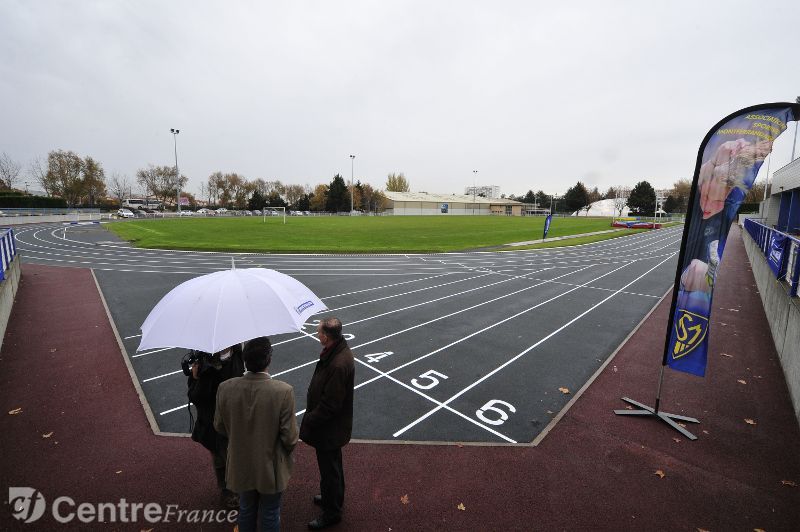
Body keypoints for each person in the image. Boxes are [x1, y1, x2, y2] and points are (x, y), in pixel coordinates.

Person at [214, 337, 298, 532]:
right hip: (271, 466)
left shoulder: (225, 388)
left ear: (245, 359)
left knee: (246, 509)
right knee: (270, 512)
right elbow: (290, 438)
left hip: (240, 463)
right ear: (268, 359)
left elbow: (219, 426)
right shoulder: (283, 391)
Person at [299, 317, 355, 530]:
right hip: (332, 428)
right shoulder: (336, 352)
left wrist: (310, 419)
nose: (316, 334)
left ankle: (332, 513)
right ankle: (334, 498)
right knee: (333, 466)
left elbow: (331, 404)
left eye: (318, 332)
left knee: (329, 470)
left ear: (327, 336)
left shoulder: (339, 363)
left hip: (329, 428)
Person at [187, 344, 244, 509]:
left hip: (231, 417)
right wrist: (196, 378)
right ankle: (228, 491)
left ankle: (235, 489)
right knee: (221, 457)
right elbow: (197, 396)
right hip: (213, 419)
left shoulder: (235, 353)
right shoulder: (206, 361)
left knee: (231, 457)